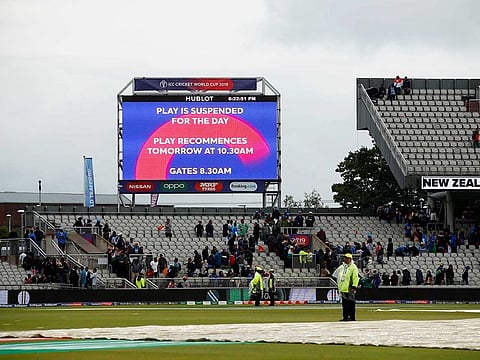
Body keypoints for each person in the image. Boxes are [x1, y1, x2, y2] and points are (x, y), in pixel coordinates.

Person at [333, 253, 359, 321]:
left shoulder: (353, 267)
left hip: (349, 288)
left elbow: (355, 278)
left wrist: (354, 287)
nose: (345, 259)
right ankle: (345, 317)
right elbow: (336, 275)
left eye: (347, 258)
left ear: (350, 259)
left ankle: (352, 317)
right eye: (345, 258)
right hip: (343, 288)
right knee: (344, 304)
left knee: (351, 304)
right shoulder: (342, 266)